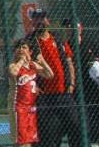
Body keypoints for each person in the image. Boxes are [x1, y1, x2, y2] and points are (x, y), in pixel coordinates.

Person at [23, 9, 79, 147]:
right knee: (46, 133)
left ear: (48, 20)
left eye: (42, 18)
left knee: (76, 125)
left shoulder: (57, 39)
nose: (39, 21)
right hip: (43, 96)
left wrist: (71, 83)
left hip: (63, 93)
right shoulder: (29, 41)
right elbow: (25, 64)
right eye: (36, 18)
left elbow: (69, 61)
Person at [10, 39, 51, 147]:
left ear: (30, 52)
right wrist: (22, 61)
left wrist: (42, 61)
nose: (21, 50)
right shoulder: (14, 65)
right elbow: (13, 72)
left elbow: (49, 74)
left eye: (24, 47)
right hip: (18, 107)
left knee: (29, 142)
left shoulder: (33, 65)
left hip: (31, 108)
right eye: (19, 48)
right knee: (21, 142)